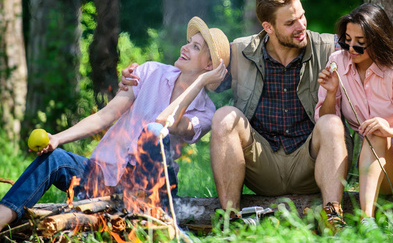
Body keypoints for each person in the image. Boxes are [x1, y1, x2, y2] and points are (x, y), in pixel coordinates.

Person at [119, 0, 393, 232]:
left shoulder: (327, 45)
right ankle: (232, 219)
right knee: (225, 115)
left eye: (301, 16)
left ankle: (333, 214)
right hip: (262, 163)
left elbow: (386, 47)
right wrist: (144, 76)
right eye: (290, 23)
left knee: (330, 124)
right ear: (268, 27)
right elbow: (198, 71)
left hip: (309, 162)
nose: (301, 25)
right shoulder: (241, 51)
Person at [0, 17, 230, 231]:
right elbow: (106, 115)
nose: (185, 47)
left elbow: (165, 122)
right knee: (53, 159)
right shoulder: (150, 71)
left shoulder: (206, 113)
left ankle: (162, 224)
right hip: (100, 178)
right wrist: (57, 138)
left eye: (196, 47)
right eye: (189, 42)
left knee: (155, 131)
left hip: (143, 193)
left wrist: (199, 83)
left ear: (209, 66)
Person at [315, 3, 393, 232]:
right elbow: (326, 120)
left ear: (377, 40)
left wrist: (389, 130)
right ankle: (367, 221)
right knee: (374, 135)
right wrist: (332, 91)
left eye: (360, 43)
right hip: (379, 159)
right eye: (347, 39)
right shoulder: (338, 61)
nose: (351, 47)